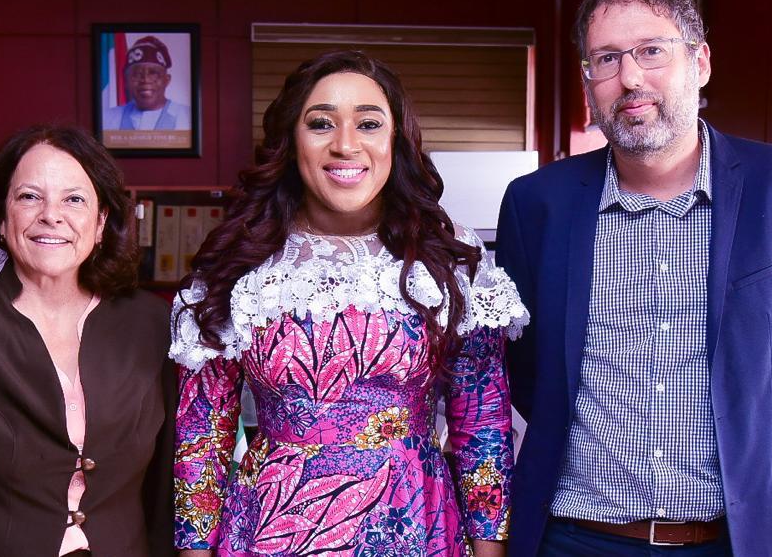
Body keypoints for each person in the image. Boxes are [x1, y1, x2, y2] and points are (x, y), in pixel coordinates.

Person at [496, 0, 772, 557]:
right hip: (575, 537)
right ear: (589, 81)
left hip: (738, 536)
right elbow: (529, 371)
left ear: (701, 62)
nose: (629, 77)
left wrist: (748, 443)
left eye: (651, 51)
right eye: (605, 58)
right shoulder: (537, 204)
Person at [169, 50, 529, 557]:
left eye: (368, 123)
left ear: (395, 143)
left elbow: (483, 430)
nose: (345, 145)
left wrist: (488, 552)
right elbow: (201, 441)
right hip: (271, 532)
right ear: (291, 143)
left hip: (416, 527)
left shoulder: (448, 266)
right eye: (320, 124)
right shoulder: (239, 270)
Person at [0, 125, 176, 557]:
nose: (51, 215)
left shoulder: (152, 323)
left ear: (100, 224)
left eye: (74, 199)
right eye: (29, 196)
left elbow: (168, 486)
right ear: (1, 219)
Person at [103, 35, 192, 131]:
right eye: (136, 74)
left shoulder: (188, 116)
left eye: (153, 73)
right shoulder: (107, 119)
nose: (145, 79)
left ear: (167, 80)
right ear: (126, 81)